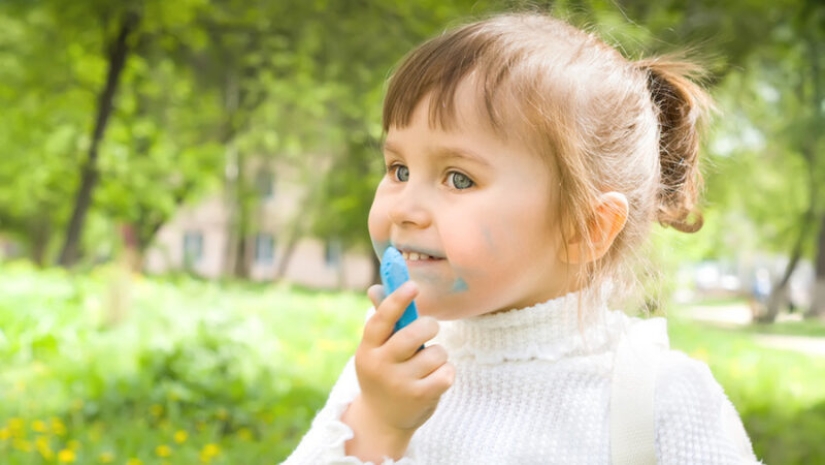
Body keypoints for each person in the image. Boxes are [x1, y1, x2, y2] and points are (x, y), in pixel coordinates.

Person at [285, 11, 760, 464]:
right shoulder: (387, 372)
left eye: (458, 179)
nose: (404, 209)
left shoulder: (660, 400)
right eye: (399, 170)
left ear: (586, 228)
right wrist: (377, 426)